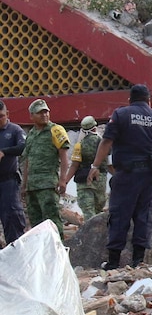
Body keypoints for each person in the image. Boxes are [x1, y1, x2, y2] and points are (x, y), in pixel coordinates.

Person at [88, 84, 152, 269]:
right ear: (149, 101)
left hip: (127, 174)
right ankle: (138, 261)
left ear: (130, 100)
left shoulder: (121, 114)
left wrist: (95, 165)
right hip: (150, 175)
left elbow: (106, 141)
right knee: (144, 214)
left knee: (120, 214)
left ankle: (113, 262)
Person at [21, 99, 70, 236]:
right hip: (32, 187)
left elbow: (64, 156)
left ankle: (58, 252)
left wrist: (62, 180)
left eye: (46, 112)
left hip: (47, 185)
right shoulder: (30, 135)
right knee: (36, 225)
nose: (44, 115)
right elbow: (27, 161)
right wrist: (24, 185)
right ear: (31, 116)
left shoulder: (56, 130)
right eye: (40, 113)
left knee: (52, 221)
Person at [64, 116, 112, 221]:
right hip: (100, 181)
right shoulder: (103, 144)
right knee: (98, 213)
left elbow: (74, 165)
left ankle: (90, 235)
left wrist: (65, 181)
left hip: (83, 183)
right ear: (94, 128)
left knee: (88, 214)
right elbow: (109, 164)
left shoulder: (79, 146)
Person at [0, 100, 27, 245]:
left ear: (7, 114)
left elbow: (23, 147)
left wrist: (4, 152)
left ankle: (16, 249)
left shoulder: (14, 130)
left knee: (11, 217)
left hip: (8, 182)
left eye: (1, 116)